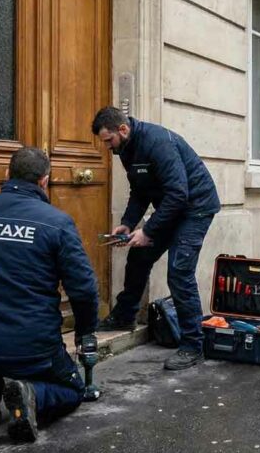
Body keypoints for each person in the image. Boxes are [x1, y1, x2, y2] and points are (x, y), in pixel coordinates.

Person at [0, 147, 99, 443]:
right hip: (33, 348)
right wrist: (85, 334)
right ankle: (32, 395)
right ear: (45, 181)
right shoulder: (56, 223)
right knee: (73, 390)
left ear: (7, 174)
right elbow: (84, 289)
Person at [92, 107, 221, 371]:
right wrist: (128, 224)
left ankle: (192, 346)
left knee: (179, 271)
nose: (107, 147)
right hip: (173, 206)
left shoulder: (157, 142)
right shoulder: (126, 150)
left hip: (195, 207)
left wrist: (149, 231)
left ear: (123, 130)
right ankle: (125, 316)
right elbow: (140, 192)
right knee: (139, 256)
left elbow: (178, 193)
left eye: (108, 140)